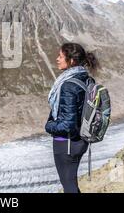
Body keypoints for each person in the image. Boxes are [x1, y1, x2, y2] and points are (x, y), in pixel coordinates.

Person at [45, 42, 99, 193]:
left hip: (66, 143)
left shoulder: (68, 84)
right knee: (71, 185)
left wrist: (49, 126)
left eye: (61, 56)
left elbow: (68, 124)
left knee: (69, 186)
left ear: (72, 60)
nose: (57, 59)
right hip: (80, 141)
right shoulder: (87, 79)